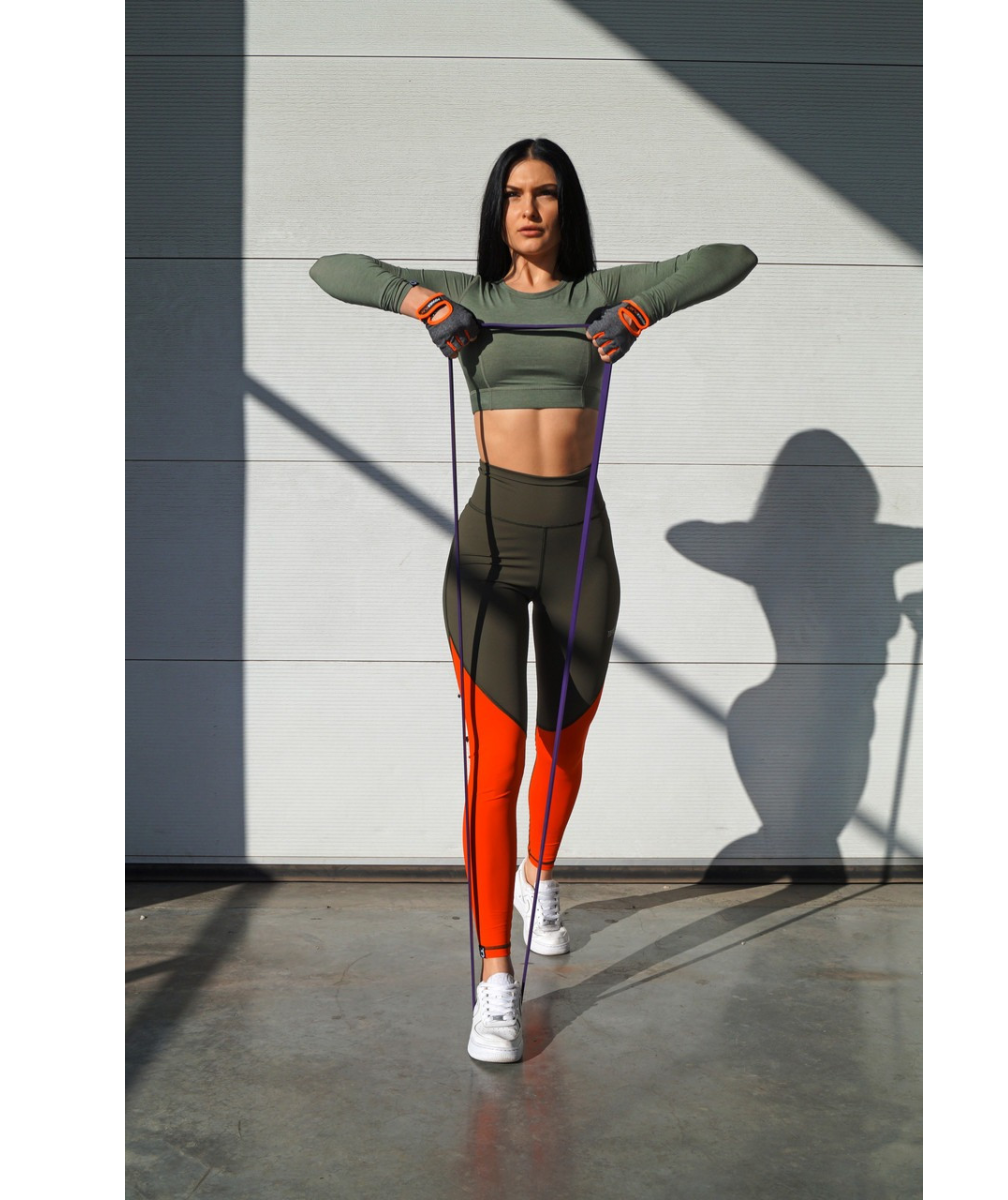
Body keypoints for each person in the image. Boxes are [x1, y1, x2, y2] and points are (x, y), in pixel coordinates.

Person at [309, 137, 757, 1063]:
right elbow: (333, 269)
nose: (528, 209)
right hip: (489, 551)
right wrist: (419, 303)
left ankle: (539, 873)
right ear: (497, 208)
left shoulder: (599, 295)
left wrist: (639, 311)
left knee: (565, 744)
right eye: (514, 194)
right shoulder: (469, 298)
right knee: (498, 764)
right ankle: (492, 979)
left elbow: (730, 258)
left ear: (566, 208)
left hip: (580, 549)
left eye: (546, 193)